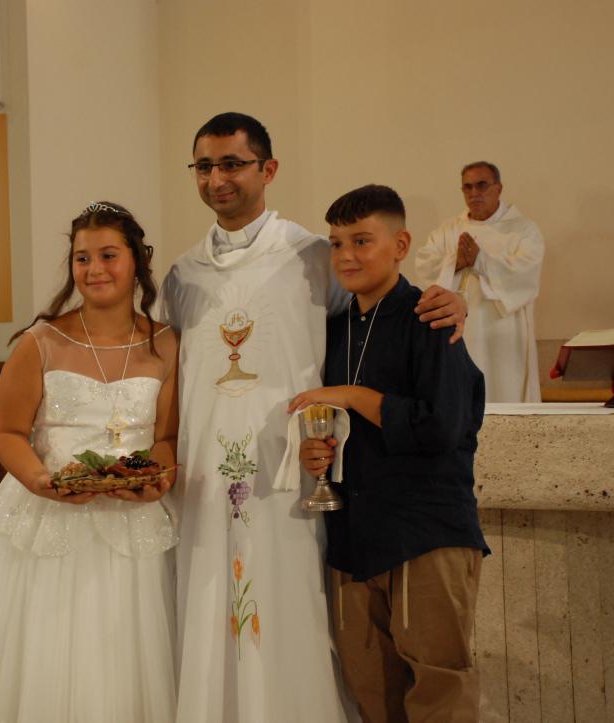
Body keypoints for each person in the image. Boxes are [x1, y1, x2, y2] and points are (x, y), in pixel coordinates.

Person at [160, 112, 468, 722]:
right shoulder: (182, 275)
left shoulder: (311, 256)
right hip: (205, 478)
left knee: (292, 609)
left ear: (268, 169)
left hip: (292, 475)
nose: (217, 179)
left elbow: (378, 315)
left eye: (232, 164)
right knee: (208, 602)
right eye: (205, 166)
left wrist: (450, 301)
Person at [0, 201, 180, 723]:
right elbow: (6, 432)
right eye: (82, 258)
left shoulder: (166, 344)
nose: (94, 270)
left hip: (131, 522)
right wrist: (42, 481)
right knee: (48, 649)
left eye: (108, 255)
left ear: (136, 261)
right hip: (48, 518)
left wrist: (156, 479)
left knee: (125, 654)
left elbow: (167, 437)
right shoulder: (41, 341)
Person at [292, 184, 488, 723]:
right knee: (369, 688)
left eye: (362, 240)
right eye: (336, 244)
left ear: (400, 245)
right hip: (353, 537)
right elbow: (331, 419)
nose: (346, 256)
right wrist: (316, 451)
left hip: (424, 531)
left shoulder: (430, 317)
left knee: (439, 686)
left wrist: (355, 397)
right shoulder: (331, 329)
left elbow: (443, 426)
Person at [415, 161, 544, 402]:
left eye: (482, 185)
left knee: (503, 389)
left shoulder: (523, 230)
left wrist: (480, 261)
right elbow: (423, 266)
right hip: (457, 332)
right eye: (467, 187)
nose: (474, 193)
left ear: (498, 188)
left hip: (502, 331)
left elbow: (525, 274)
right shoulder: (447, 231)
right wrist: (455, 262)